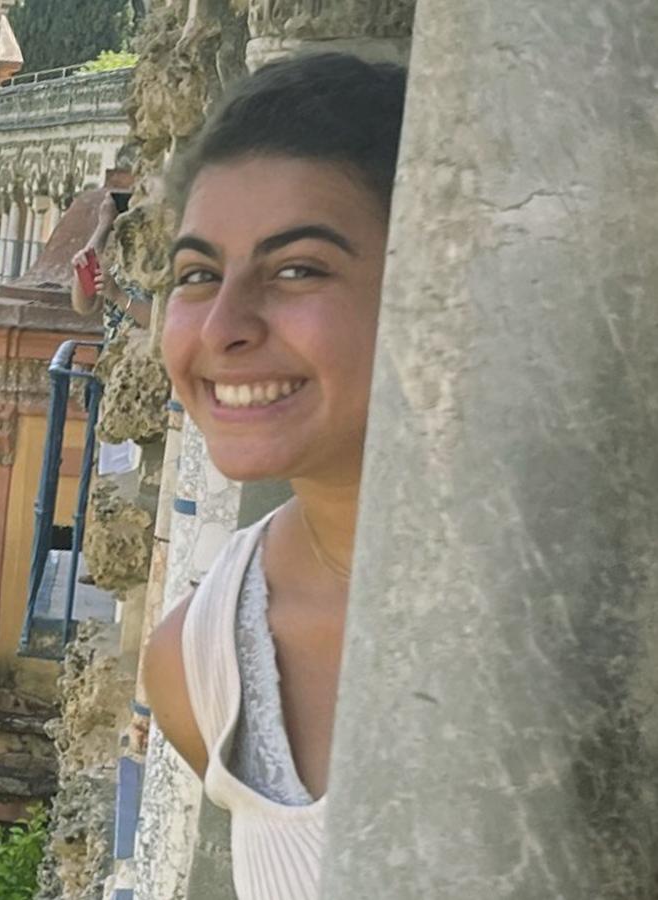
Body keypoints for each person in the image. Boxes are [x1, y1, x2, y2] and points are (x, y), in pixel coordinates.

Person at [137, 52, 408, 900]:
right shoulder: (200, 663)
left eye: (298, 269)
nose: (223, 326)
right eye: (197, 276)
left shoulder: (598, 618)